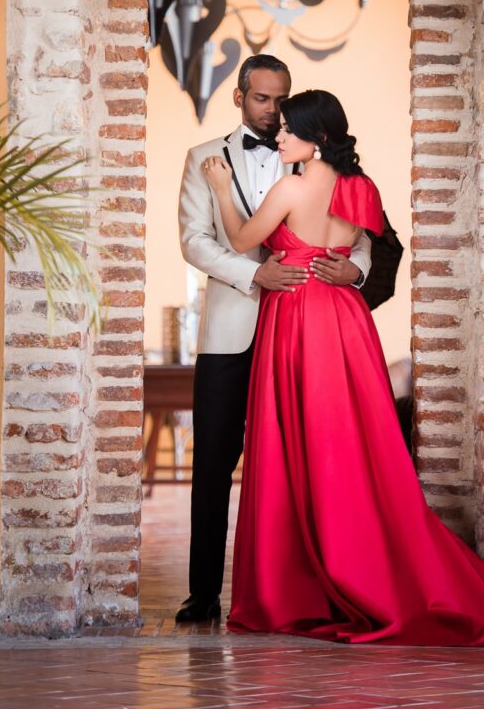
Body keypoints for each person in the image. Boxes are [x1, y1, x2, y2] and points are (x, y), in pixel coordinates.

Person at [202, 89, 484, 646]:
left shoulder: (291, 185)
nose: (280, 136)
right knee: (344, 443)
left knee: (296, 443)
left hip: (297, 315)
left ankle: (293, 588)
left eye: (289, 129)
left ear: (317, 138)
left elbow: (244, 241)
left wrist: (222, 189)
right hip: (344, 318)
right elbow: (362, 249)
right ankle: (348, 564)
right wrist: (346, 271)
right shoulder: (361, 188)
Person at [176, 59, 372, 623]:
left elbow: (358, 235)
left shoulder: (319, 160)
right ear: (239, 97)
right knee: (214, 461)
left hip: (307, 328)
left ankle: (309, 585)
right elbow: (195, 241)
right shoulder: (202, 158)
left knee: (307, 460)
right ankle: (204, 592)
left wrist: (351, 272)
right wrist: (252, 275)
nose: (272, 111)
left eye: (280, 100)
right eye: (262, 99)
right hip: (232, 331)